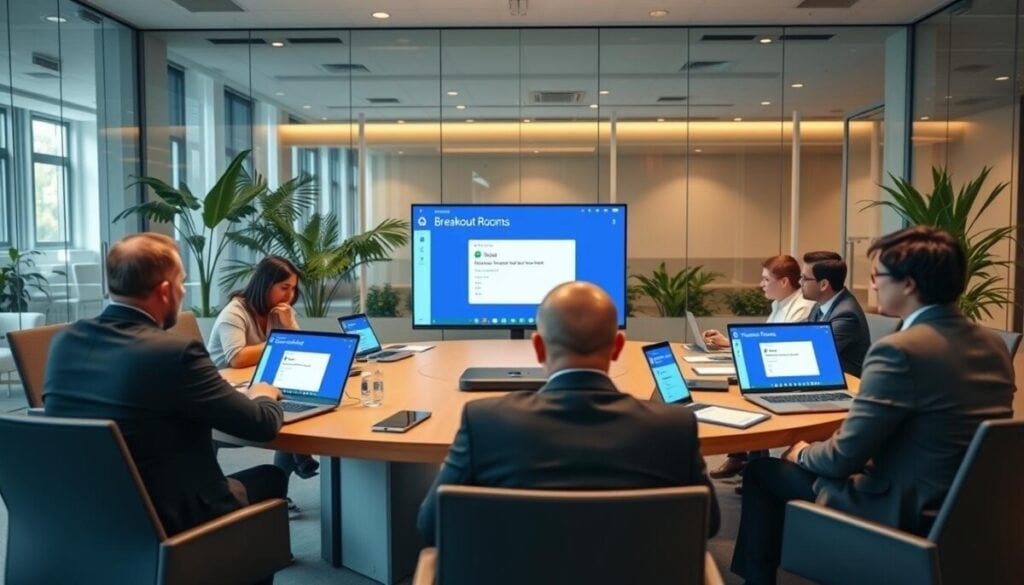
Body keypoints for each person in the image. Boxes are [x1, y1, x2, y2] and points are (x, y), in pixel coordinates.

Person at [730, 226, 1015, 585]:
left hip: (900, 510)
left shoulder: (899, 350)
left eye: (877, 276)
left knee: (762, 473)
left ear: (909, 283)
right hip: (966, 509)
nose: (874, 285)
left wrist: (802, 452)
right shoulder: (993, 345)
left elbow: (841, 458)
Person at [416, 281, 720, 545]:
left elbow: (431, 527)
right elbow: (708, 525)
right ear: (617, 347)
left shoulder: (484, 422)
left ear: (538, 348)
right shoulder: (673, 426)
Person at [44, 233, 287, 537]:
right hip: (171, 520)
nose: (183, 292)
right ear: (164, 291)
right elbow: (261, 426)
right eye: (182, 283)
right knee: (270, 476)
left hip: (87, 513)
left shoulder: (63, 342)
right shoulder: (175, 354)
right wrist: (262, 394)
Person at [208, 256, 320, 498]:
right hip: (229, 389)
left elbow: (301, 347)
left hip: (262, 382)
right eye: (284, 288)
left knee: (300, 404)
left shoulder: (279, 312)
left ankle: (287, 483)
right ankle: (301, 460)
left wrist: (289, 327)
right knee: (281, 407)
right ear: (265, 284)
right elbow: (236, 357)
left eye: (293, 289)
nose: (289, 296)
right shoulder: (235, 312)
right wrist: (279, 341)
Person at [703, 255, 815, 480]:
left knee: (742, 392)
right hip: (771, 369)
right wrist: (728, 343)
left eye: (766, 279)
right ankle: (744, 459)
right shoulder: (779, 305)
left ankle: (751, 464)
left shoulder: (802, 309)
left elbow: (778, 347)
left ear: (783, 282)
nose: (761, 284)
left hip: (786, 375)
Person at [799, 251, 870, 377]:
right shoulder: (820, 304)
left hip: (846, 384)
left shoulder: (846, 315)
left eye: (804, 278)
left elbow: (816, 354)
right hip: (822, 377)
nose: (800, 282)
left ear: (824, 285)